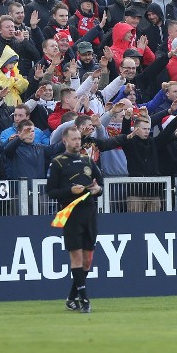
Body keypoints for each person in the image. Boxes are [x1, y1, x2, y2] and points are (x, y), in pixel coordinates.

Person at [46, 125, 103, 314]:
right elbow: (50, 192)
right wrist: (70, 191)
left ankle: (71, 297)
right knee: (76, 257)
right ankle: (84, 299)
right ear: (65, 141)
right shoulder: (58, 162)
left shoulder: (87, 159)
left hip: (89, 213)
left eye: (79, 139)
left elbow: (99, 184)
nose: (78, 142)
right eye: (74, 139)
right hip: (71, 214)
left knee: (87, 261)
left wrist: (97, 190)